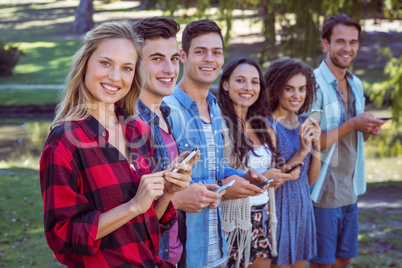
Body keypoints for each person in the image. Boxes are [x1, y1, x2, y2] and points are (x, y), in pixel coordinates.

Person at [39, 21, 194, 267]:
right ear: (85, 63)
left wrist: (168, 192)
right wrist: (132, 206)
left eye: (126, 68)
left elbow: (149, 217)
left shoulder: (138, 130)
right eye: (106, 63)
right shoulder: (65, 141)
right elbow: (62, 236)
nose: (115, 77)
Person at [164, 19, 269, 268]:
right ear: (183, 56)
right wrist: (223, 186)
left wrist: (241, 175)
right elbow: (160, 182)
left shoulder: (214, 108)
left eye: (216, 52)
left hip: (218, 250)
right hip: (183, 253)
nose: (209, 59)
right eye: (200, 52)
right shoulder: (167, 108)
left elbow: (216, 167)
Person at [309, 14, 385, 268]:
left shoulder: (356, 84)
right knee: (322, 263)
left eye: (353, 42)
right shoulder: (313, 86)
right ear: (325, 44)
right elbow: (312, 141)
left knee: (344, 260)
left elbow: (352, 138)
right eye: (340, 41)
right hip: (323, 192)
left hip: (350, 190)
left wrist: (366, 129)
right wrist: (352, 124)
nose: (347, 48)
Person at [217, 57, 299, 268]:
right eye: (241, 80)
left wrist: (279, 177)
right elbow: (219, 180)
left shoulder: (262, 125)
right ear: (225, 84)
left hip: (263, 217)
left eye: (254, 82)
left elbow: (267, 176)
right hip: (232, 223)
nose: (248, 87)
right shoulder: (218, 126)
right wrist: (263, 181)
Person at [263, 58, 321, 268]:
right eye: (289, 89)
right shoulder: (268, 125)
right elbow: (272, 178)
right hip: (278, 210)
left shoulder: (306, 122)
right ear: (276, 89)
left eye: (302, 89)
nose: (297, 95)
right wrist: (303, 149)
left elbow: (311, 179)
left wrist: (316, 147)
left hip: (302, 208)